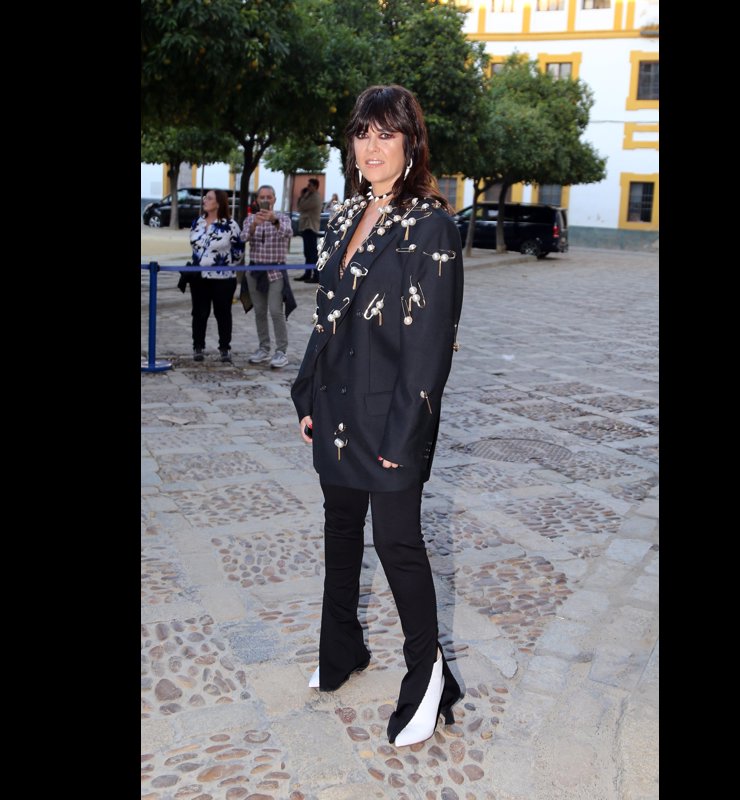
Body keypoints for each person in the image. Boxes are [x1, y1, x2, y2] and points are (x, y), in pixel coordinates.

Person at [291, 84, 464, 748]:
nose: (371, 146)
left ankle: (429, 675)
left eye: (386, 134)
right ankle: (341, 649)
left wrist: (404, 434)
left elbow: (429, 347)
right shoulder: (344, 215)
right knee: (340, 532)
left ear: (411, 142)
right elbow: (327, 318)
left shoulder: (431, 225)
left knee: (397, 545)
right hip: (335, 406)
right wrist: (307, 394)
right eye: (363, 133)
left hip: (390, 415)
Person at [238, 185, 295, 368]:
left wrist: (274, 220)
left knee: (276, 310)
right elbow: (242, 238)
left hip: (275, 271)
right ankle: (264, 347)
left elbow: (288, 233)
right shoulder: (250, 219)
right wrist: (254, 225)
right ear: (256, 200)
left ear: (274, 199)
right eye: (262, 197)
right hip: (255, 271)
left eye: (268, 197)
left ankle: (281, 351)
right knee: (259, 311)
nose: (265, 200)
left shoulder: (283, 218)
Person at [188, 190, 244, 362]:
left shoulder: (231, 225)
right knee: (199, 313)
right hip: (199, 277)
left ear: (218, 203)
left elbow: (238, 252)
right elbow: (194, 247)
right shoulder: (197, 222)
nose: (205, 200)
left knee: (223, 313)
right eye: (205, 197)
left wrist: (225, 263)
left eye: (209, 198)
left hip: (223, 278)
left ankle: (224, 348)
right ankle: (198, 346)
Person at [295, 177, 323, 283]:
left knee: (312, 253)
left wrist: (303, 196)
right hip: (306, 227)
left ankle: (316, 275)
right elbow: (300, 206)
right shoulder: (310, 196)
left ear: (315, 186)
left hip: (310, 227)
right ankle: (307, 273)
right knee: (307, 253)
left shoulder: (315, 197)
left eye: (309, 185)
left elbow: (301, 207)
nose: (307, 187)